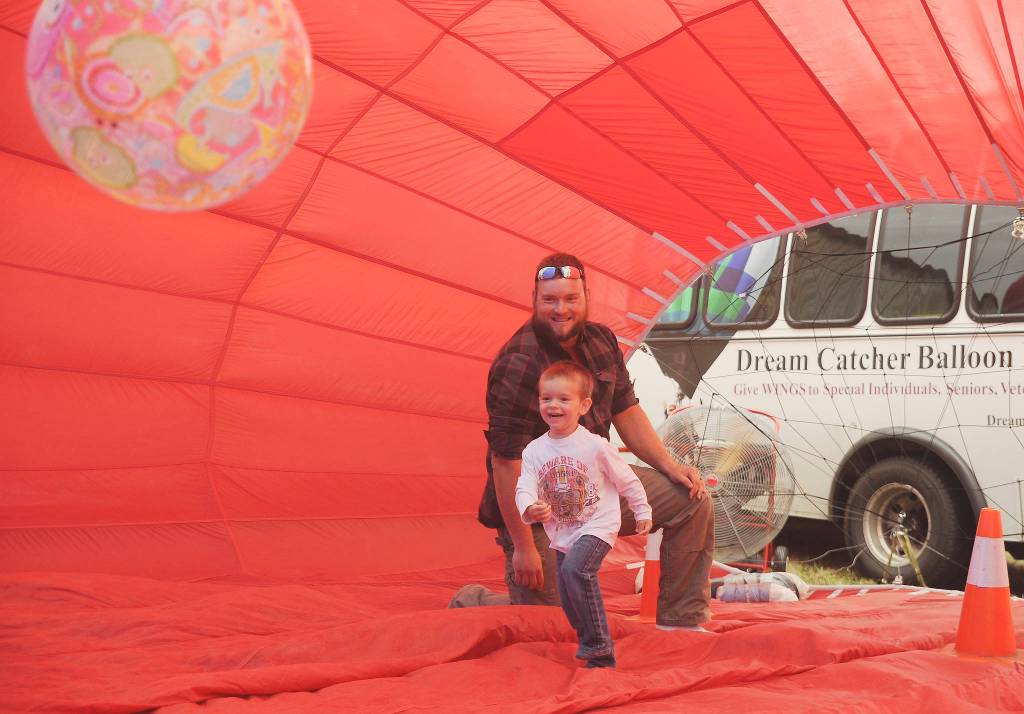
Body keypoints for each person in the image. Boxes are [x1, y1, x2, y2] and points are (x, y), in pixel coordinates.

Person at [450, 252, 714, 632]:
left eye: (570, 299)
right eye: (550, 300)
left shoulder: (602, 341)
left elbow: (627, 412)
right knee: (555, 628)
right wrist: (524, 548)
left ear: (587, 296)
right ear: (535, 300)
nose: (561, 309)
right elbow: (506, 465)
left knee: (690, 498)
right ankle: (474, 602)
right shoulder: (518, 362)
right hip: (539, 513)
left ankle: (682, 623)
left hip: (594, 489)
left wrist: (672, 467)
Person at [516, 360, 653, 668]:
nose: (553, 405)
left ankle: (599, 648)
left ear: (583, 405)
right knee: (566, 592)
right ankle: (586, 637)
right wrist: (529, 506)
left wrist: (642, 508)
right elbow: (524, 485)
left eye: (564, 399)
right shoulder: (534, 451)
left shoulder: (595, 446)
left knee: (576, 571)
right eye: (546, 398)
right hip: (564, 529)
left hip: (598, 524)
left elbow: (626, 478)